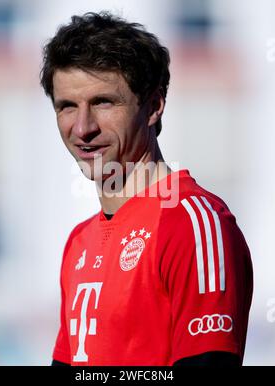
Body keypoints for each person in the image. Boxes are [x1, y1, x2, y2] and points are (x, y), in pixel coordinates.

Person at [40, 12, 253, 367]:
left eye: (103, 102)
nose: (82, 128)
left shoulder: (192, 224)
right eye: (67, 107)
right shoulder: (79, 241)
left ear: (153, 106)